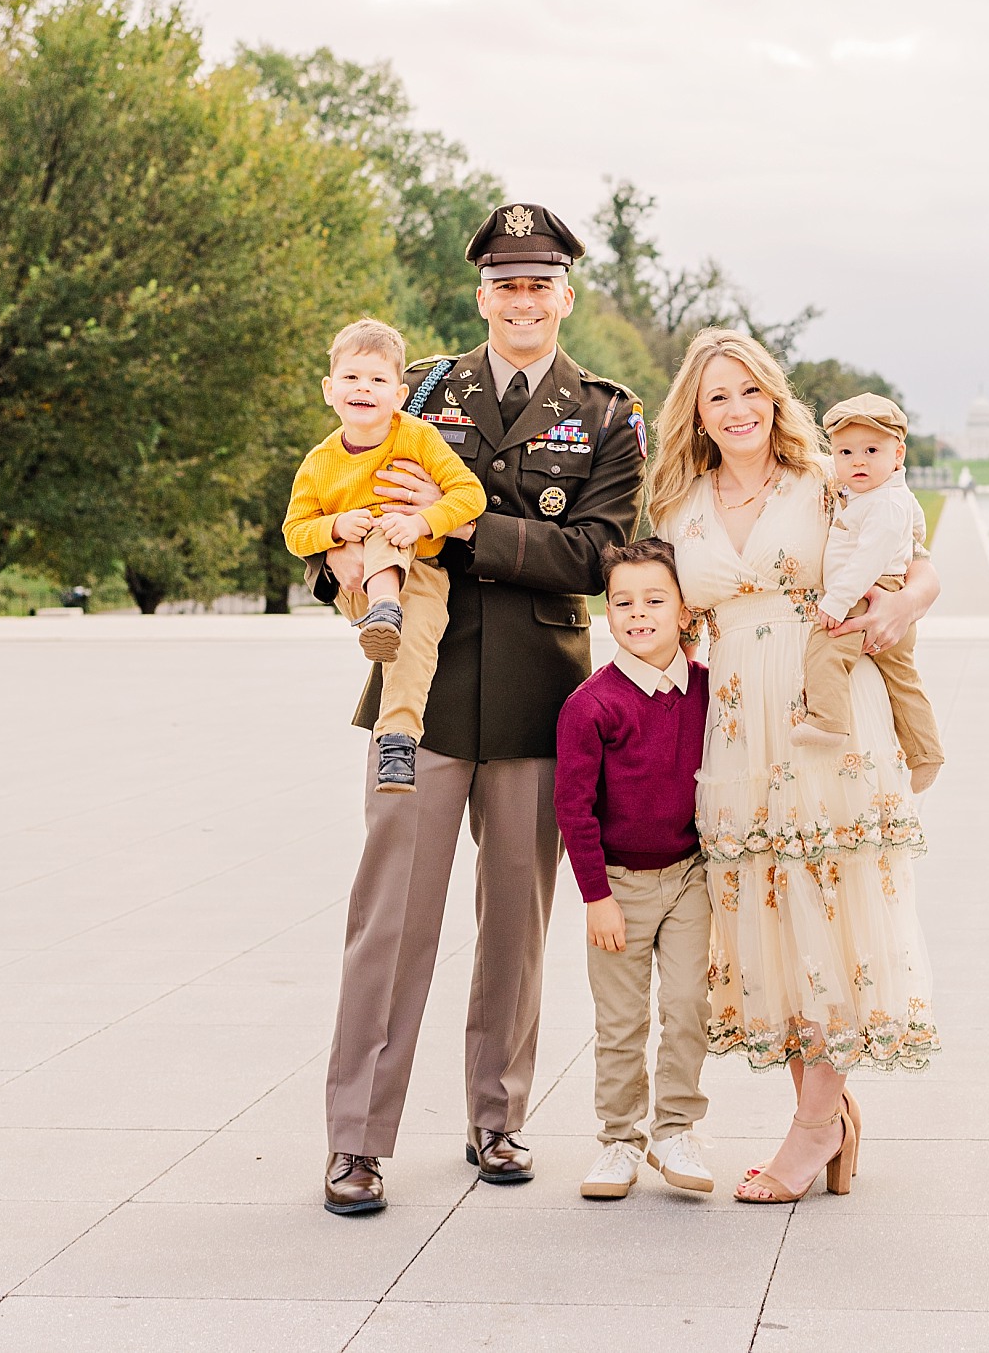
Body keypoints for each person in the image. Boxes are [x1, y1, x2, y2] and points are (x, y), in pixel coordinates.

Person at [318, 202, 645, 1217]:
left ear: (565, 296)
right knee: (389, 922)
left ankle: (496, 1116)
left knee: (515, 925)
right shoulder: (419, 390)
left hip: (541, 702)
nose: (522, 300)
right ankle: (357, 1140)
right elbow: (348, 498)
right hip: (417, 697)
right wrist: (354, 554)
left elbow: (599, 553)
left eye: (539, 283)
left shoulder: (605, 414)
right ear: (481, 295)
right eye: (506, 284)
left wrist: (460, 530)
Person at [647, 327, 943, 1205]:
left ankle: (814, 1127)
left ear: (775, 399)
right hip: (738, 724)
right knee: (772, 915)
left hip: (826, 716)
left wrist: (905, 606)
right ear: (696, 414)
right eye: (717, 397)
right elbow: (664, 617)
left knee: (828, 906)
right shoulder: (677, 504)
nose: (737, 410)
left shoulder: (825, 481)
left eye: (751, 392)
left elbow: (917, 565)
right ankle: (828, 1116)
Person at [553, 537, 715, 1201]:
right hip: (618, 886)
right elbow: (573, 808)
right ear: (607, 611)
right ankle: (619, 1138)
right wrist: (596, 896)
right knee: (621, 1021)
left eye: (654, 600)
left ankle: (676, 1128)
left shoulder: (709, 690)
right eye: (623, 602)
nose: (638, 613)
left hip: (690, 877)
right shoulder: (591, 705)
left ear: (684, 610)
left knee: (688, 1005)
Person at [281, 318, 487, 795]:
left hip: (422, 574)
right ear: (329, 390)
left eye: (377, 379)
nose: (363, 388)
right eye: (351, 377)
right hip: (357, 585)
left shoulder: (416, 436)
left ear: (399, 394)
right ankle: (383, 610)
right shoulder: (318, 463)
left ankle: (397, 743)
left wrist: (421, 522)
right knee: (377, 528)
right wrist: (335, 528)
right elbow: (294, 532)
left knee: (413, 652)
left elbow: (469, 494)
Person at [792, 392, 944, 794]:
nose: (858, 461)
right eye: (846, 452)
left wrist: (836, 602)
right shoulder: (885, 494)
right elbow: (916, 529)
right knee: (902, 678)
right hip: (880, 589)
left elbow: (866, 560)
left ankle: (827, 720)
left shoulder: (884, 502)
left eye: (871, 451)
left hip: (868, 595)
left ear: (898, 454)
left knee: (827, 646)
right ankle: (925, 753)